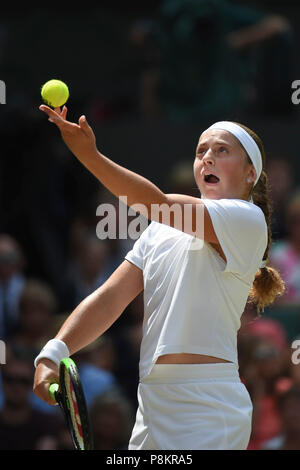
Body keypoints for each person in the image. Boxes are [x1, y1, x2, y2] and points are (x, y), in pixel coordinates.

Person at [33, 104, 285, 450]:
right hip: (151, 403)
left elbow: (156, 202)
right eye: (201, 151)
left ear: (249, 174)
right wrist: (53, 351)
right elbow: (111, 298)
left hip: (209, 408)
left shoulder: (248, 220)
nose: (207, 157)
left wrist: (89, 156)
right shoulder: (158, 232)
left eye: (221, 150)